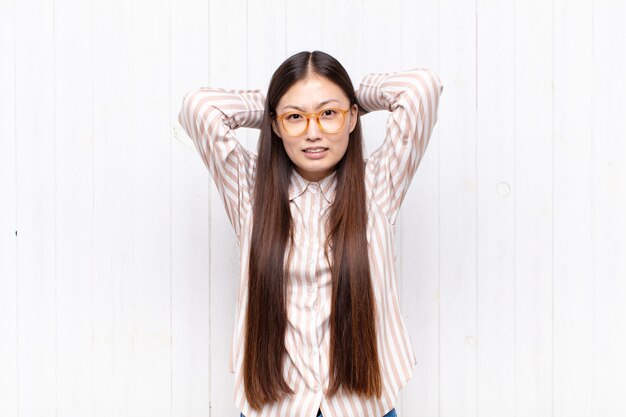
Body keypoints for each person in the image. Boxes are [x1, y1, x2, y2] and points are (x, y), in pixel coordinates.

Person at [177, 50, 443, 417]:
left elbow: (421, 88)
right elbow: (199, 107)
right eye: (295, 118)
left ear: (352, 119)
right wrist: (279, 104)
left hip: (362, 408)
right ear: (275, 124)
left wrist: (352, 99)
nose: (313, 133)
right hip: (275, 407)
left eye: (328, 114)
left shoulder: (379, 185)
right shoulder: (249, 191)